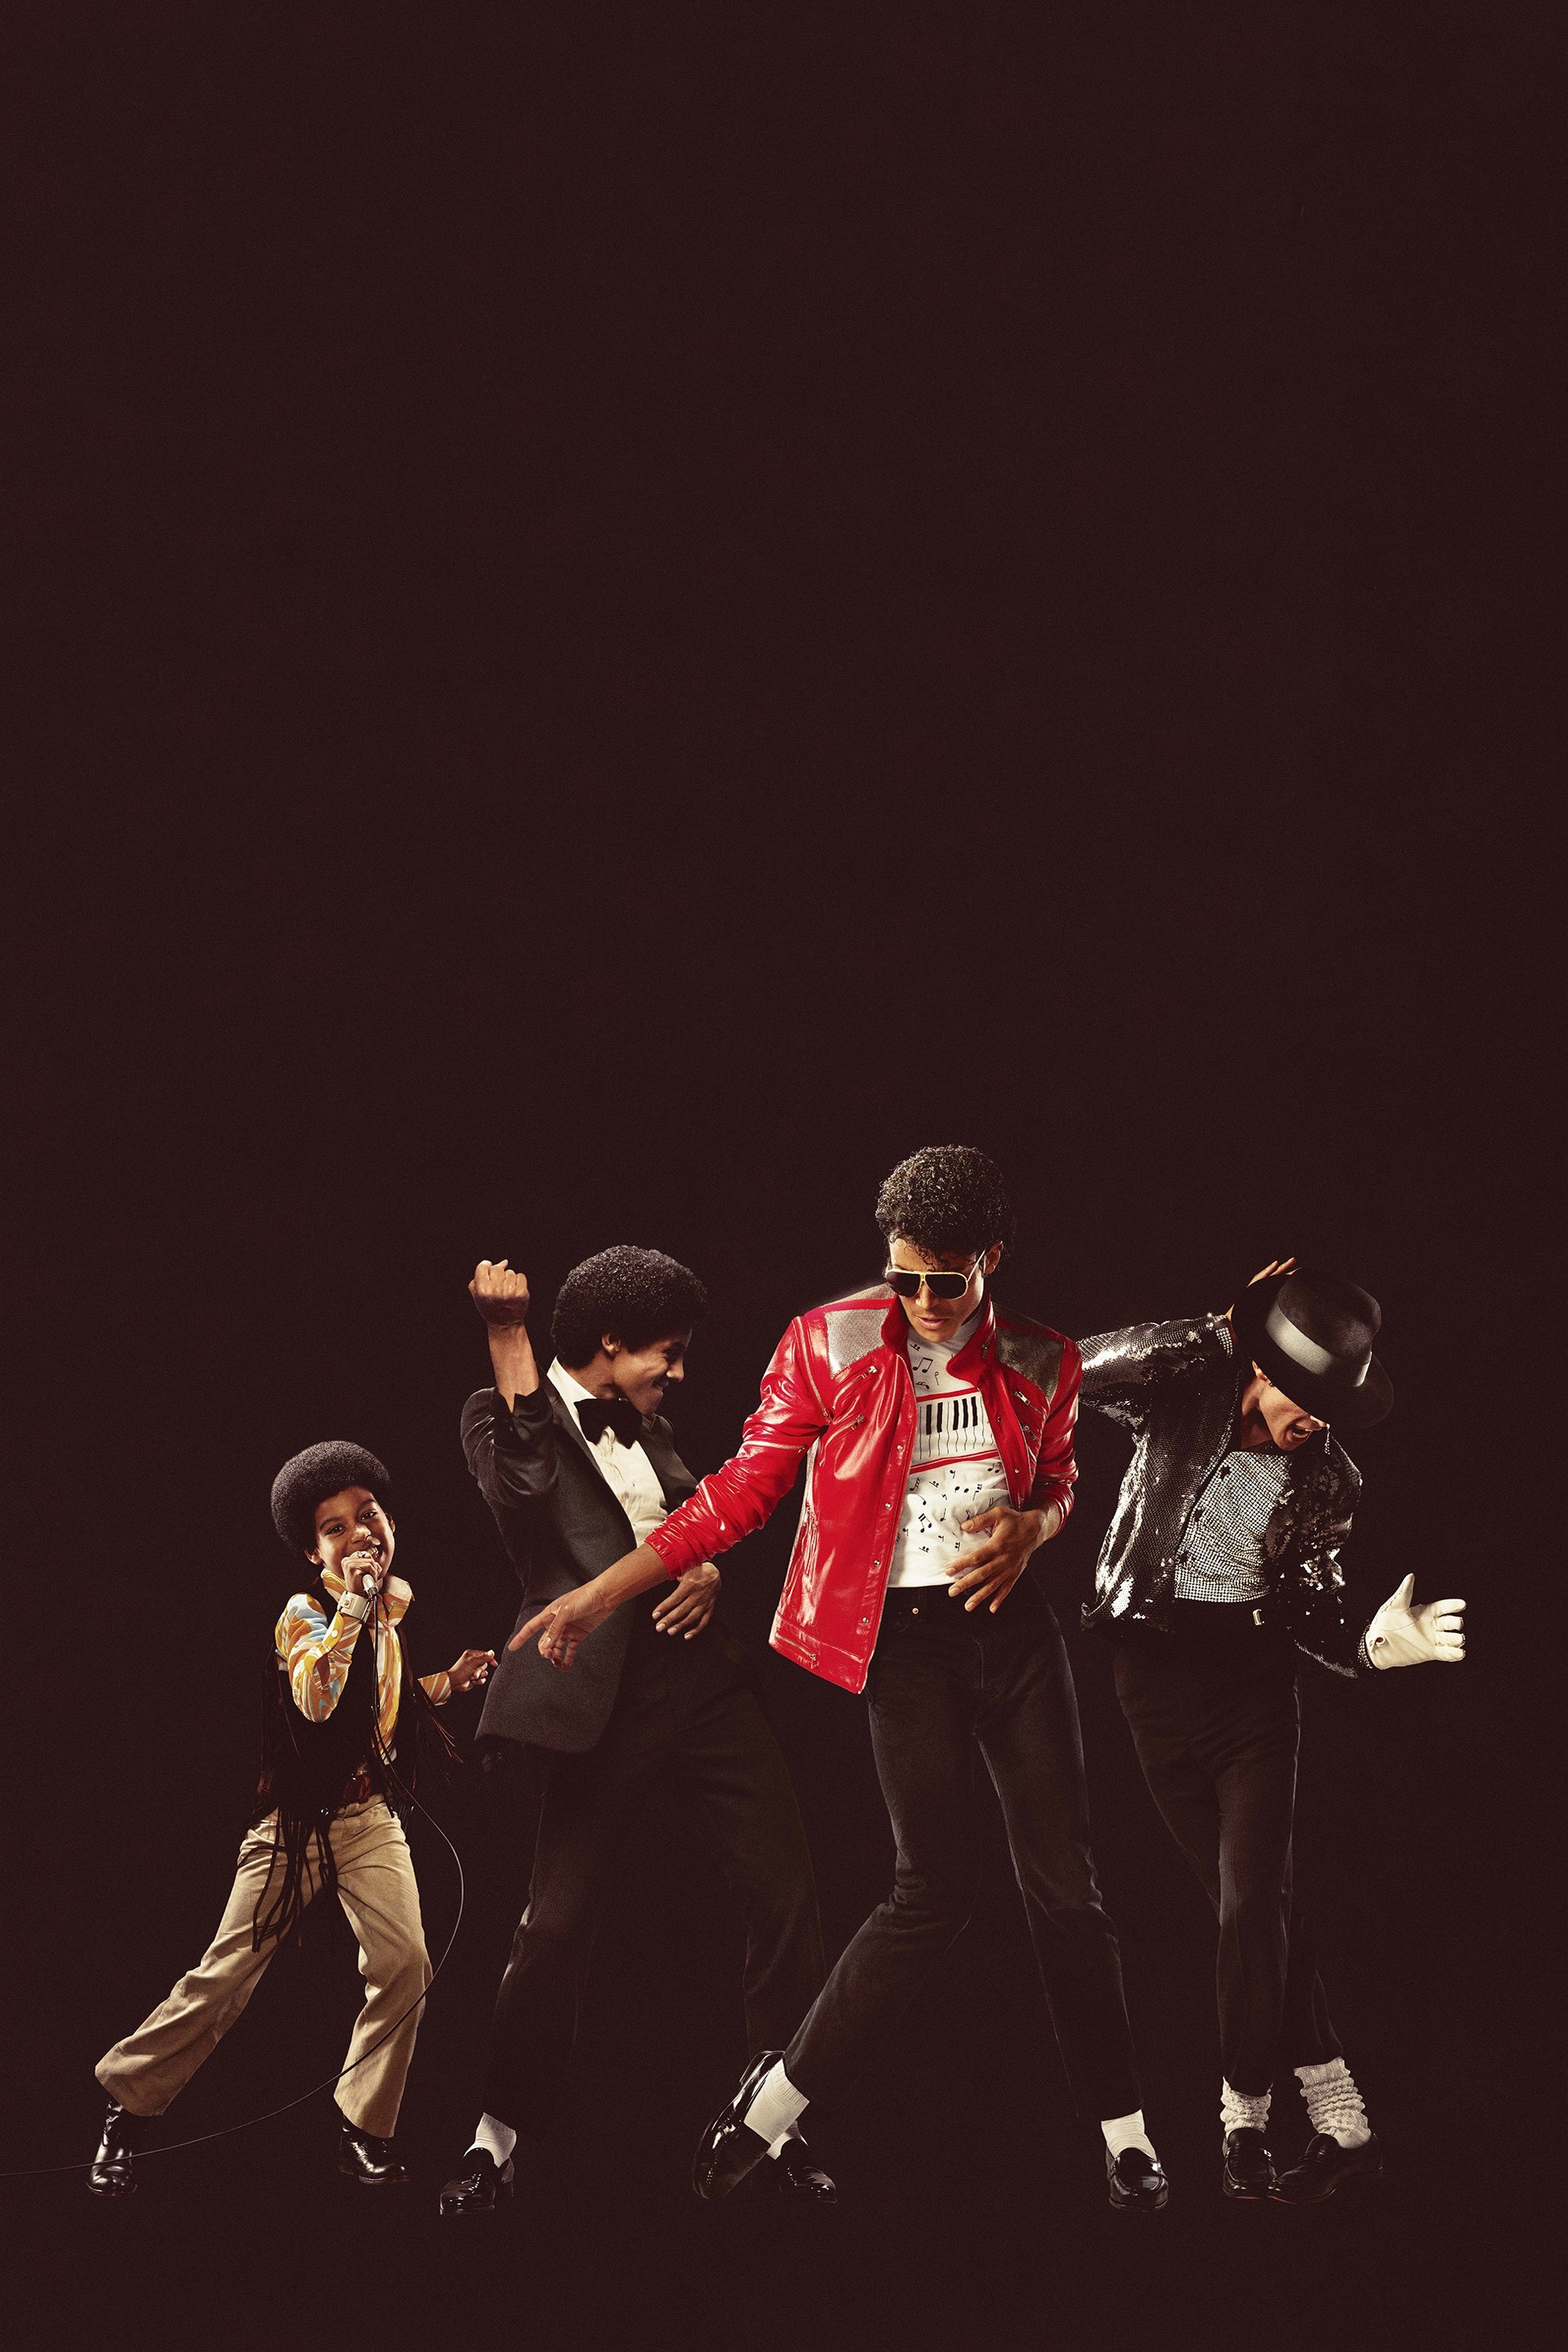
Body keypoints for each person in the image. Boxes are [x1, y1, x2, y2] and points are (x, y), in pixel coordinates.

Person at [514, 1150, 1167, 2214]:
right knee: (930, 1892)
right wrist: (601, 1595)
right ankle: (767, 2110)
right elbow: (742, 1490)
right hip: (900, 1641)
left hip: (1013, 1639)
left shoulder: (1042, 1357)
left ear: (992, 1259)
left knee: (1067, 1890)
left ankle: (1126, 2137)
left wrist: (1034, 1530)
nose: (922, 1302)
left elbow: (1058, 1482)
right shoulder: (830, 1341)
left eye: (946, 1281)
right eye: (903, 1277)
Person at [438, 1247, 829, 2218]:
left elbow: (701, 1519)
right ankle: (495, 2140)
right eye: (669, 1352)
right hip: (594, 1695)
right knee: (552, 1928)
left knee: (784, 1895)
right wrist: (506, 1334)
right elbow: (522, 1487)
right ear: (610, 1344)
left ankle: (772, 2125)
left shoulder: (651, 1428)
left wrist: (709, 1570)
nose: (680, 1372)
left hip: (702, 1684)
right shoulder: (497, 1413)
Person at [1077, 1258, 1467, 2203]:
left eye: (1331, 1408)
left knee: (1252, 1907)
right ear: (1259, 1366)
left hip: (1251, 1695)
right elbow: (1076, 1369)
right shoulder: (1181, 1398)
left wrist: (1371, 1648)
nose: (1315, 1423)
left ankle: (1241, 2121)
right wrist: (1221, 1328)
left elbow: (1310, 1607)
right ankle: (1344, 2124)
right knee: (1246, 1915)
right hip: (1149, 1684)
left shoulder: (1326, 1476)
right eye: (1304, 1398)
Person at [88, 1442, 495, 2196]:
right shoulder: (306, 1613)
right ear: (314, 1553)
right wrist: (356, 1604)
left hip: (368, 1817)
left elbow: (383, 1710)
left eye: (367, 1515)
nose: (359, 1532)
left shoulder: (387, 1618)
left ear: (391, 1522)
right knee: (226, 1975)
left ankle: (363, 2130)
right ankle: (128, 2109)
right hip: (295, 1825)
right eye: (335, 1529)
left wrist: (450, 1681)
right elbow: (318, 1700)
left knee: (406, 1963)